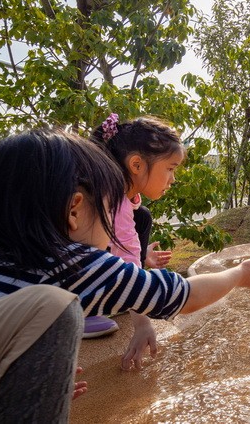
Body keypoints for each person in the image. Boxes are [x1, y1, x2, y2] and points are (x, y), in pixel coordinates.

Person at [0, 129, 250, 423]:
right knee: (55, 308)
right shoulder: (75, 265)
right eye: (111, 208)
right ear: (74, 210)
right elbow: (184, 295)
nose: (115, 221)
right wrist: (238, 274)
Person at [90, 113, 184, 369]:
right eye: (170, 169)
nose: (172, 180)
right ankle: (82, 309)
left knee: (141, 216)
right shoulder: (114, 198)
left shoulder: (124, 198)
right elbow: (130, 268)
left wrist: (141, 257)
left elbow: (129, 247)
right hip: (64, 278)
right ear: (136, 165)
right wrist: (143, 323)